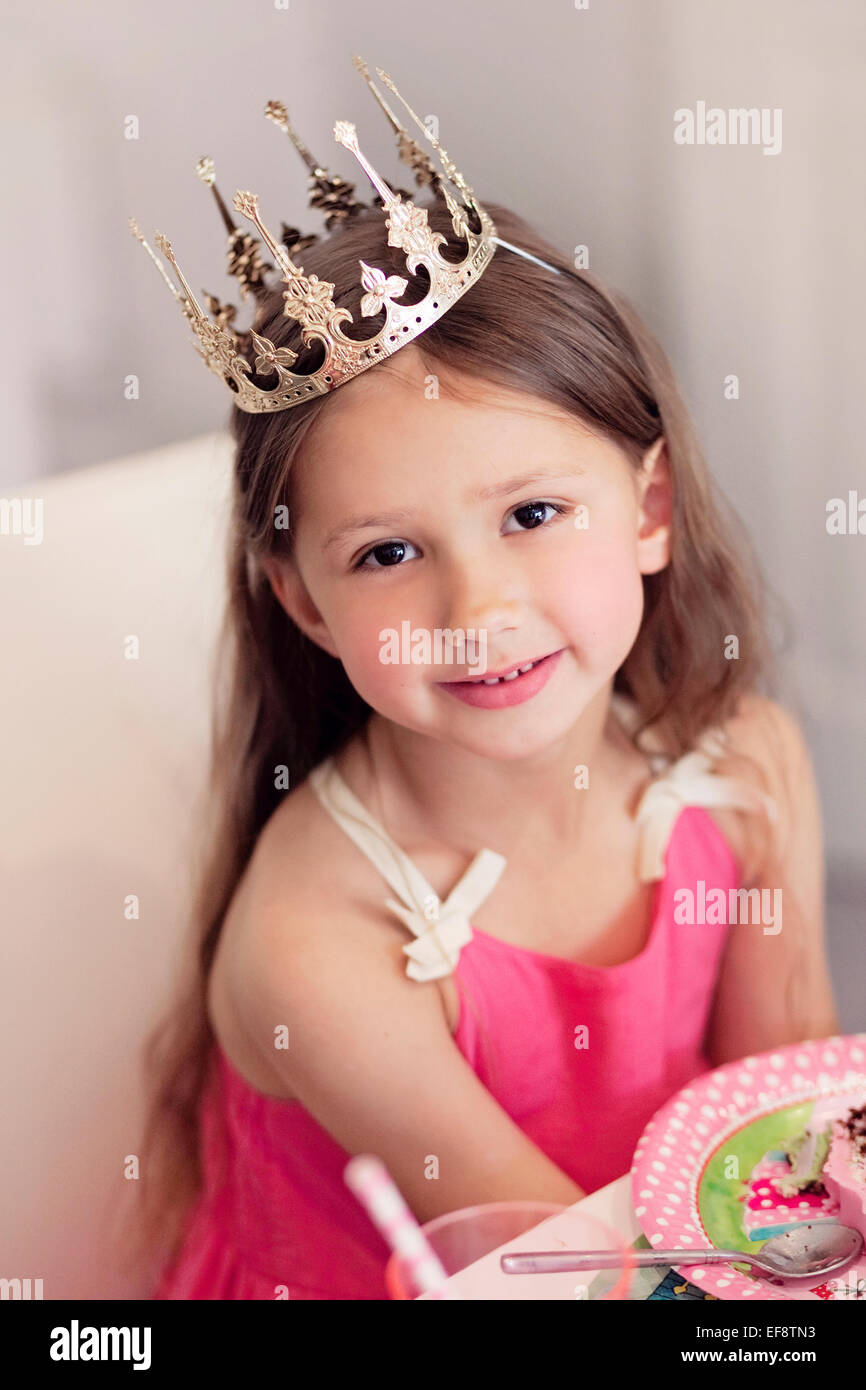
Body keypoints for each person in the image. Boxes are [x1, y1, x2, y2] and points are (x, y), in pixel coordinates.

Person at [127, 180, 838, 1299]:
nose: (477, 611)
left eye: (531, 514)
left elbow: (795, 1142)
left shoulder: (742, 769)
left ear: (647, 512)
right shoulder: (321, 944)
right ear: (306, 604)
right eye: (385, 554)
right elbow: (580, 1281)